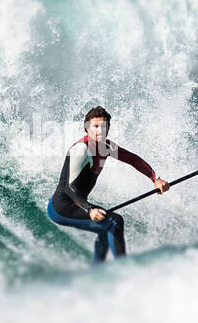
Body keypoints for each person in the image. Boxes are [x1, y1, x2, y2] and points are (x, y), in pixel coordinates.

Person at [46, 106, 168, 262]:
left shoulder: (106, 147)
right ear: (87, 128)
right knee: (115, 222)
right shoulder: (81, 149)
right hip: (62, 208)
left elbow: (133, 159)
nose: (100, 131)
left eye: (104, 127)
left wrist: (155, 178)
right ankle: (122, 269)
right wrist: (89, 209)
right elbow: (69, 188)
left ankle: (98, 273)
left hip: (76, 205)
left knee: (105, 230)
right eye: (95, 126)